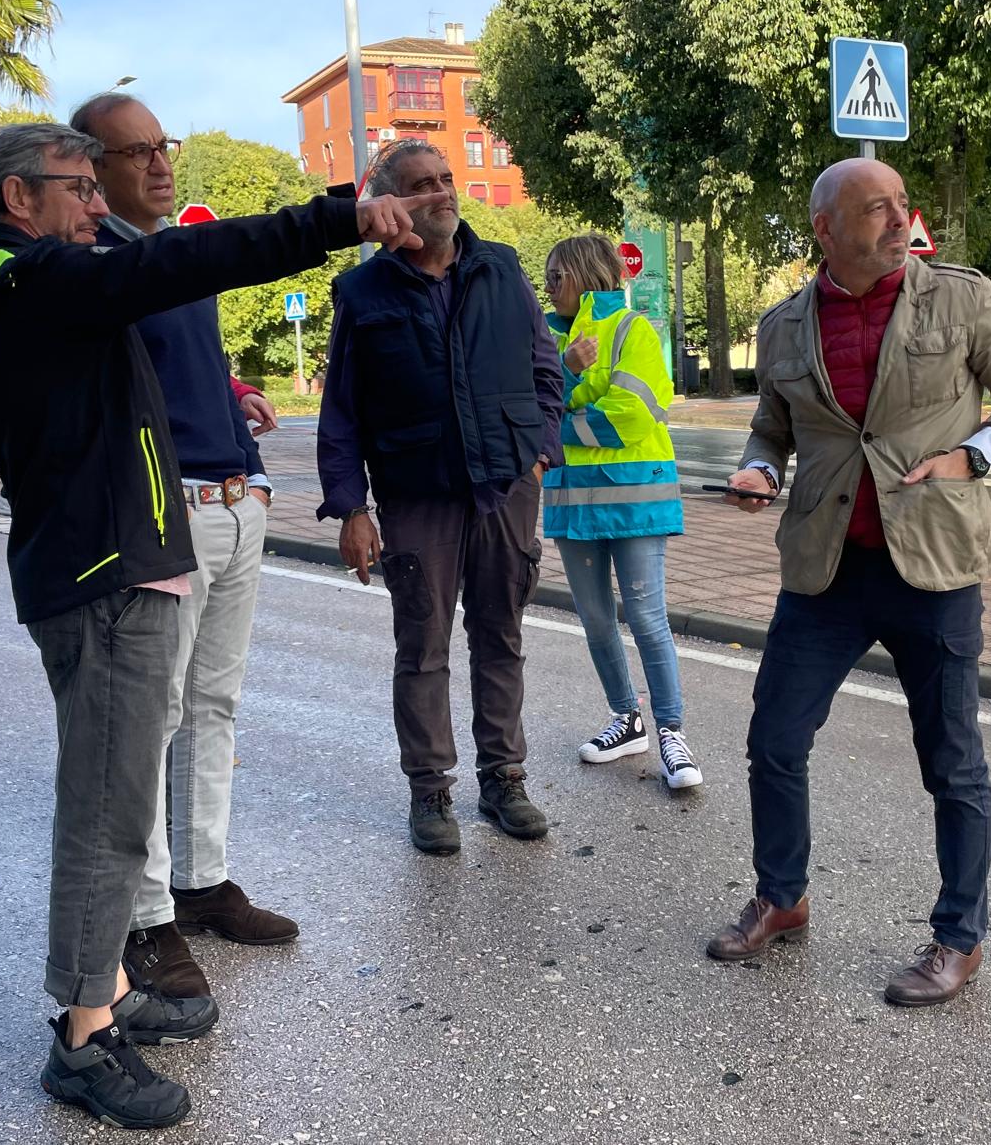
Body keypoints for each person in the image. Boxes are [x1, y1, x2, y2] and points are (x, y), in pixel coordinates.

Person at [0, 121, 434, 1128]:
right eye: (79, 188)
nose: (99, 207)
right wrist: (339, 216)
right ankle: (84, 1037)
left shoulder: (20, 289)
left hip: (110, 562)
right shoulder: (36, 283)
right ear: (20, 200)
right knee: (107, 811)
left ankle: (103, 985)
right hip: (106, 576)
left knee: (121, 795)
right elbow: (194, 254)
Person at [704, 157, 991, 1008]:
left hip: (933, 565)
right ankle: (782, 897)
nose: (897, 221)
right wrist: (757, 470)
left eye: (902, 205)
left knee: (951, 761)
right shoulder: (785, 325)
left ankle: (958, 939)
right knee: (775, 740)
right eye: (874, 210)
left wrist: (975, 454)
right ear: (825, 230)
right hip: (825, 569)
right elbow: (770, 430)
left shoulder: (961, 298)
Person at [72, 92, 292, 1002]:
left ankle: (201, 882)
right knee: (154, 716)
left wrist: (232, 394)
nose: (161, 163)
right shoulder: (98, 269)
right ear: (93, 170)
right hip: (171, 520)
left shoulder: (169, 261)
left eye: (164, 146)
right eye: (136, 152)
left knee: (215, 706)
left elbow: (176, 364)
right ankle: (149, 918)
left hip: (237, 500)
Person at [316, 140, 564, 855]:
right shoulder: (364, 294)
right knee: (421, 647)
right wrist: (352, 508)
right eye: (423, 185)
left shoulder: (500, 267)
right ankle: (430, 791)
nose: (443, 193)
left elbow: (544, 368)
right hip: (417, 493)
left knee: (501, 639)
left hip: (505, 487)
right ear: (393, 204)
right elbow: (342, 412)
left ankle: (504, 779)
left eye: (447, 180)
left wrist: (540, 449)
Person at [540, 233, 698, 788]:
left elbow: (632, 414)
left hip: (634, 499)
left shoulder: (634, 331)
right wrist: (565, 369)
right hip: (572, 502)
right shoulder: (543, 336)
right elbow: (519, 406)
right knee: (597, 621)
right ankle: (626, 719)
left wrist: (559, 424)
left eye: (557, 275)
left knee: (648, 620)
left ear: (584, 274)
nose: (549, 286)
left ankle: (672, 734)